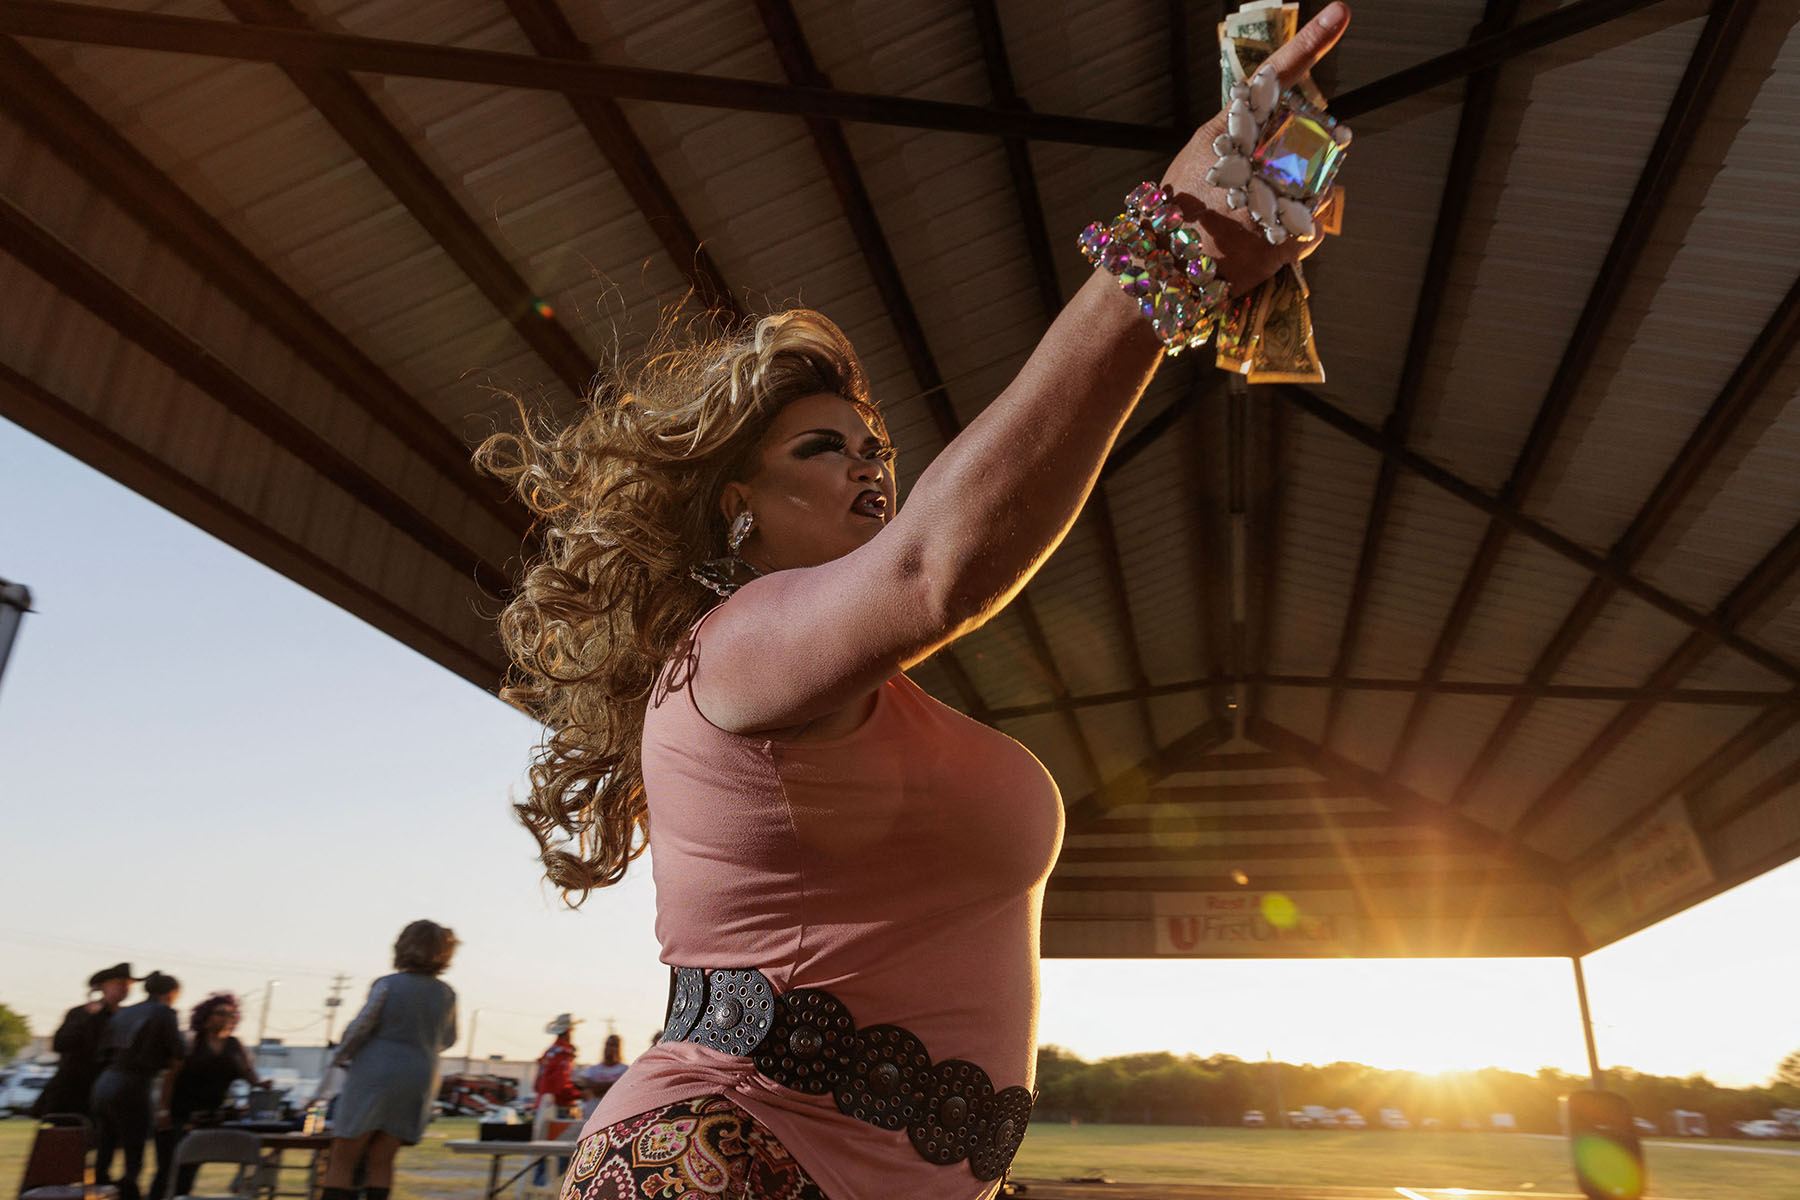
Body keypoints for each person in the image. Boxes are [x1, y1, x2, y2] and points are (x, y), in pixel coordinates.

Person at [476, 8, 1350, 1197]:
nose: (873, 466)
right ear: (733, 504)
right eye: (825, 449)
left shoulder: (851, 699)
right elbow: (939, 568)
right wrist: (1178, 242)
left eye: (879, 443)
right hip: (735, 1157)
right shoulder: (725, 653)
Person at [320, 920, 458, 1200]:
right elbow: (449, 1038)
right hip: (419, 1073)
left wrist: (341, 1056)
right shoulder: (446, 993)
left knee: (343, 1155)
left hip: (375, 1071)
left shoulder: (387, 984)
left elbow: (361, 1026)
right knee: (383, 1159)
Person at [148, 993, 264, 1200]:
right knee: (169, 1171)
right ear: (206, 1016)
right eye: (220, 1013)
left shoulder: (234, 1045)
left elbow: (248, 1073)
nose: (226, 1017)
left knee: (190, 1171)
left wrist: (262, 1085)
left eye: (231, 1013)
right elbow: (169, 1077)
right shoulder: (192, 1041)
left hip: (209, 1117)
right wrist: (162, 1111)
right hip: (179, 1115)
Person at [91, 972, 184, 1200]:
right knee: (134, 1147)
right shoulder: (164, 1012)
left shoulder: (124, 1013)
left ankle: (101, 1186)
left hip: (105, 1082)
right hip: (134, 1083)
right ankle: (128, 1191)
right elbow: (179, 1052)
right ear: (171, 993)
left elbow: (102, 1051)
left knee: (106, 1142)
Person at [35, 962, 136, 1118]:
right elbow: (60, 1043)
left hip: (108, 1089)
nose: (125, 988)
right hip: (74, 1090)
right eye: (119, 984)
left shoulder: (128, 1017)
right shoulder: (81, 1013)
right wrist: (88, 1017)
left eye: (127, 985)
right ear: (103, 987)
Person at [533, 1014, 582, 1108]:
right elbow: (560, 1086)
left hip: (544, 1104)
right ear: (569, 1031)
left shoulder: (550, 1052)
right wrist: (580, 1094)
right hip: (556, 1106)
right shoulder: (562, 1054)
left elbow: (537, 1085)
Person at [575, 1035, 628, 1116]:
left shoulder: (624, 1069)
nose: (609, 1048)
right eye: (608, 1044)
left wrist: (596, 1086)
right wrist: (610, 1085)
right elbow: (580, 1083)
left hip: (613, 1113)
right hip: (592, 1112)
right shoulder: (593, 1069)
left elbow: (620, 1088)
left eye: (613, 1045)